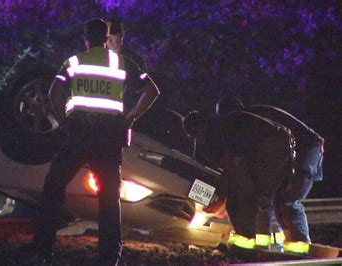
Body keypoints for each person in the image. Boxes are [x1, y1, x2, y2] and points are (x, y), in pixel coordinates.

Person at [33, 19, 159, 265]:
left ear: (86, 37)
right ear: (107, 37)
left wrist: (64, 121)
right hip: (109, 136)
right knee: (109, 196)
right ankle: (110, 256)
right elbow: (152, 91)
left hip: (79, 133)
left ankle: (43, 248)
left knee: (54, 184)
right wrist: (130, 118)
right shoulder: (122, 63)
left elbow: (53, 93)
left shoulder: (74, 63)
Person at [215, 96, 324, 251]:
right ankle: (281, 244)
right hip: (295, 150)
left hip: (306, 149)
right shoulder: (253, 121)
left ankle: (300, 246)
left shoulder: (252, 122)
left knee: (288, 196)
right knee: (274, 196)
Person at [183, 110, 295, 250]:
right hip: (275, 145)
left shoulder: (221, 132)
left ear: (200, 125)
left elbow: (232, 168)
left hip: (272, 147)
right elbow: (231, 168)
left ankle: (251, 245)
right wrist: (223, 199)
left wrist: (222, 199)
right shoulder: (225, 127)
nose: (198, 139)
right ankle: (253, 244)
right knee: (250, 198)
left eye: (195, 134)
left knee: (252, 199)